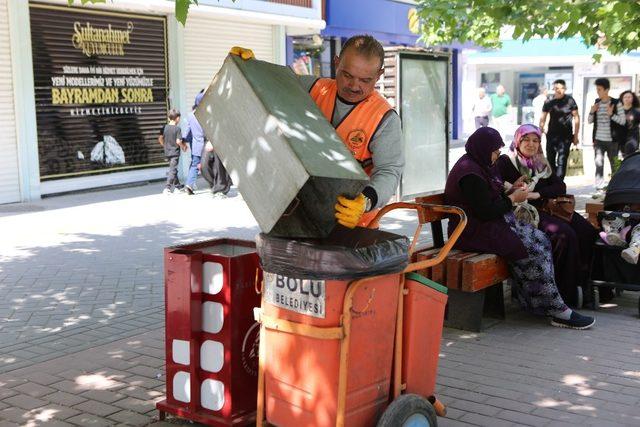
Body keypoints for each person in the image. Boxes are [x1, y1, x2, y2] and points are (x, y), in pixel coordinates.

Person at [230, 36, 404, 229]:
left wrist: (365, 201)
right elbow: (277, 83)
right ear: (337, 62)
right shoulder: (312, 89)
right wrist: (252, 67)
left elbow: (389, 171)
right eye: (347, 75)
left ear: (379, 75)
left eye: (365, 80)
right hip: (300, 216)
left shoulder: (384, 119)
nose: (354, 86)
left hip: (353, 226)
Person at [444, 127, 594, 329]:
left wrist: (512, 189)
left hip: (487, 226)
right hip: (473, 231)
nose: (498, 155)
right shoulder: (469, 172)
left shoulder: (480, 164)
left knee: (541, 239)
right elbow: (486, 211)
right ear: (484, 148)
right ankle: (556, 310)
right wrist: (513, 198)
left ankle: (538, 302)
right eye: (495, 150)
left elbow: (493, 195)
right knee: (531, 249)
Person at [494, 124, 598, 307]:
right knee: (565, 235)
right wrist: (514, 190)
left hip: (546, 207)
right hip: (522, 213)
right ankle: (563, 294)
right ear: (517, 141)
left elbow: (560, 187)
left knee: (587, 231)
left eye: (535, 140)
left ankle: (583, 284)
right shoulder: (505, 162)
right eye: (526, 139)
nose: (531, 144)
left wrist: (537, 194)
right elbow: (497, 188)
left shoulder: (540, 162)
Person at [588, 78, 626, 190]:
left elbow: (623, 121)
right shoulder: (596, 102)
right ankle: (599, 187)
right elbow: (590, 121)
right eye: (597, 89)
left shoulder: (616, 103)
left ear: (607, 90)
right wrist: (592, 111)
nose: (597, 92)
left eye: (599, 89)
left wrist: (611, 114)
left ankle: (615, 187)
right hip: (598, 140)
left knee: (614, 165)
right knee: (598, 164)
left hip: (612, 141)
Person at [539, 80, 580, 180]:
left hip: (566, 136)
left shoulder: (570, 100)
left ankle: (559, 182)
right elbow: (543, 117)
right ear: (553, 89)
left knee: (562, 160)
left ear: (565, 89)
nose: (559, 90)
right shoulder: (549, 101)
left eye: (561, 88)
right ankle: (553, 181)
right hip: (552, 135)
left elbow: (576, 118)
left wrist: (576, 136)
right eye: (557, 88)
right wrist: (541, 129)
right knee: (550, 160)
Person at [182, 92, 208, 195]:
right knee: (212, 163)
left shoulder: (190, 115)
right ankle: (216, 184)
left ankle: (189, 184)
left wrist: (183, 140)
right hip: (206, 144)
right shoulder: (205, 114)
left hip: (196, 144)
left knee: (194, 165)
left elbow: (187, 130)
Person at [158, 109, 186, 195]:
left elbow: (160, 139)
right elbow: (178, 141)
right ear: (177, 118)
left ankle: (177, 187)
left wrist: (164, 145)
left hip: (167, 152)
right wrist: (183, 146)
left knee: (173, 169)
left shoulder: (164, 127)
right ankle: (167, 188)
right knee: (173, 170)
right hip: (175, 152)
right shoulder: (177, 129)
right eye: (179, 118)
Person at [617, 90, 640, 158]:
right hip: (620, 138)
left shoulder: (636, 112)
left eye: (629, 97)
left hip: (632, 138)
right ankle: (618, 168)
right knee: (617, 157)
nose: (627, 98)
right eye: (625, 97)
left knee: (629, 151)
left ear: (633, 99)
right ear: (622, 99)